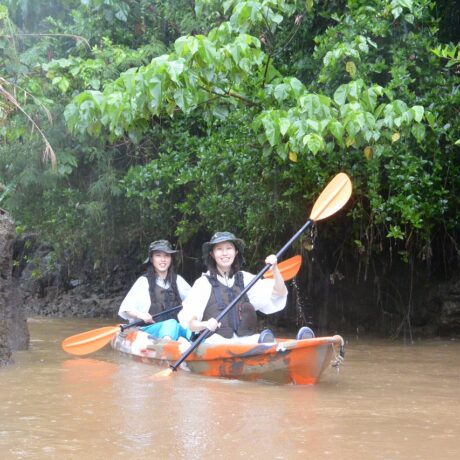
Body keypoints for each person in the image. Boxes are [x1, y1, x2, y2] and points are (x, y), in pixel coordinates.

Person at [178, 231, 288, 344]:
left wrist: (275, 269)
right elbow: (191, 324)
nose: (225, 253)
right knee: (219, 341)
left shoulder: (245, 279)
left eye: (229, 248)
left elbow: (279, 292)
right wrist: (205, 324)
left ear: (235, 252)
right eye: (219, 249)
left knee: (263, 339)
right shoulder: (203, 284)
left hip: (244, 341)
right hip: (215, 342)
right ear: (212, 254)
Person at [118, 240, 192, 341]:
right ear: (152, 259)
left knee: (191, 330)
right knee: (171, 323)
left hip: (174, 329)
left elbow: (195, 301)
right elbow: (126, 309)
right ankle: (167, 344)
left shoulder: (178, 280)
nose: (163, 259)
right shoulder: (143, 281)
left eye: (166, 256)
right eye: (158, 255)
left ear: (171, 259)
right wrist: (140, 314)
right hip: (148, 331)